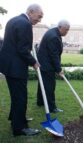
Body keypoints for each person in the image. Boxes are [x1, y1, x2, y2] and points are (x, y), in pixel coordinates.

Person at [0, 4, 43, 136]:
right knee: (20, 97)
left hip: (8, 66)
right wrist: (34, 62)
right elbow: (23, 49)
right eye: (39, 16)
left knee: (16, 96)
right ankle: (20, 128)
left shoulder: (13, 20)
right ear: (30, 12)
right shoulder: (25, 24)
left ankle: (17, 119)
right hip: (16, 68)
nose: (39, 20)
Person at [36, 20, 70, 113]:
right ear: (60, 27)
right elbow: (53, 55)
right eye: (66, 30)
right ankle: (52, 107)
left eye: (68, 30)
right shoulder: (54, 36)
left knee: (42, 83)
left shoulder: (54, 32)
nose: (67, 32)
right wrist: (59, 69)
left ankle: (40, 101)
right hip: (47, 64)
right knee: (50, 86)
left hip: (43, 63)